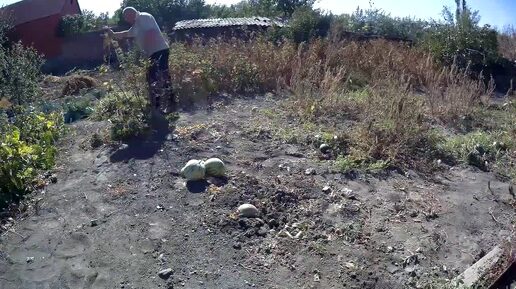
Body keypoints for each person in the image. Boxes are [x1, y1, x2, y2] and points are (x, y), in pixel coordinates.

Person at [105, 7, 176, 114]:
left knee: (161, 76)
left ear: (130, 14)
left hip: (159, 51)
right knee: (152, 78)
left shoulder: (143, 17)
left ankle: (168, 104)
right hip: (153, 53)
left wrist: (143, 52)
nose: (126, 20)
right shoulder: (137, 24)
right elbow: (126, 33)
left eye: (126, 17)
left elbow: (151, 33)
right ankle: (157, 104)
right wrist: (113, 34)